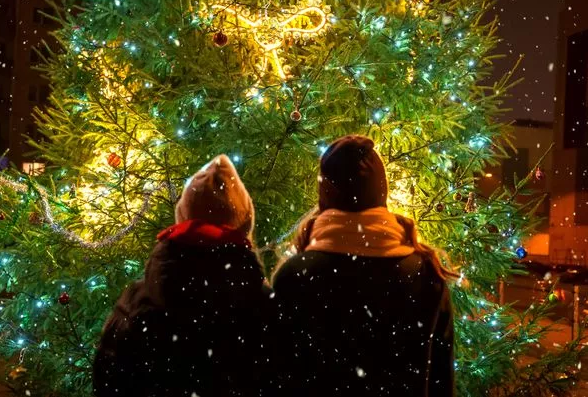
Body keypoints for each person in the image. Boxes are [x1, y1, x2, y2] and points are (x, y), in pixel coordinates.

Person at [272, 135, 456, 397]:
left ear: (325, 192)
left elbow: (276, 378)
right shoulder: (425, 274)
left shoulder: (296, 275)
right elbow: (441, 381)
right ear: (382, 192)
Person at [93, 154, 272, 397]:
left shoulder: (136, 302)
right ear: (243, 227)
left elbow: (109, 382)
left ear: (182, 218)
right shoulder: (264, 306)